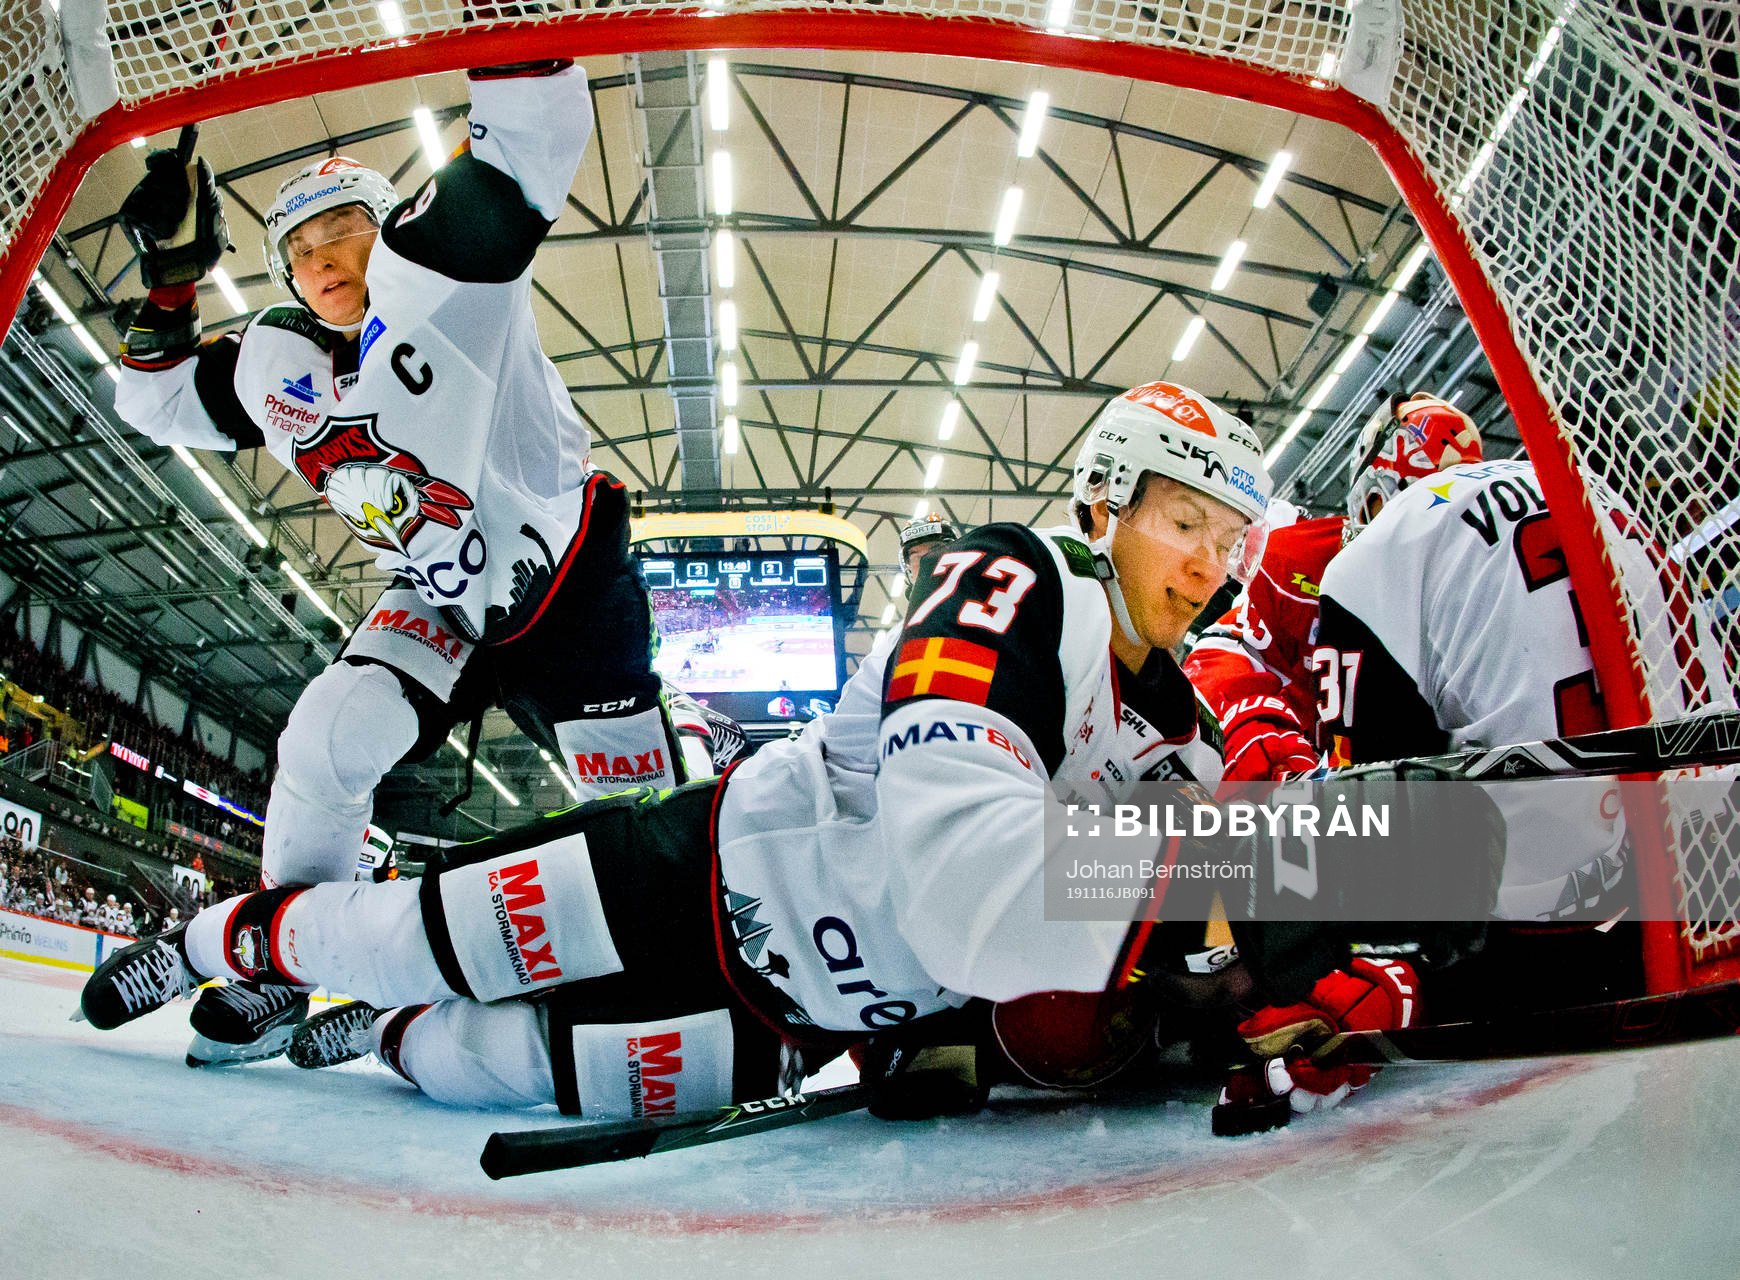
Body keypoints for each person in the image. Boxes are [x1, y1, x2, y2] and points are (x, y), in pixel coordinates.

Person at [78, 380, 1280, 1121]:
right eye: (1183, 521)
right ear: (1105, 500)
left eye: (1229, 541)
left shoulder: (1195, 747)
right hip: (696, 874)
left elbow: (1210, 920)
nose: (1206, 566)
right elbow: (972, 884)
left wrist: (1297, 949)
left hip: (794, 1029)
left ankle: (376, 1025)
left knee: (475, 1064)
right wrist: (1335, 869)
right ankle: (209, 941)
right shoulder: (1018, 579)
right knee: (415, 933)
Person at [111, 58, 688, 1065]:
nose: (324, 258)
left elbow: (532, 139)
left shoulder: (445, 272)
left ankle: (676, 972)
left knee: (640, 821)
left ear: (388, 226)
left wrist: (508, 31)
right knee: (327, 737)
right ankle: (277, 971)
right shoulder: (279, 363)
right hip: (444, 595)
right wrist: (172, 275)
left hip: (572, 588)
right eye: (298, 249)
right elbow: (149, 401)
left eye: (343, 229)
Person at [1209, 450, 1701, 1132]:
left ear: (1374, 497)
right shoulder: (1596, 492)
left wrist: (1382, 969)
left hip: (1524, 955)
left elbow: (1364, 820)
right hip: (1687, 905)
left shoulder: (1370, 556)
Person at [1184, 392, 1482, 782]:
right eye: (1419, 505)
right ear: (1372, 498)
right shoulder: (1295, 561)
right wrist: (1269, 742)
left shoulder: (1475, 581)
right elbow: (1219, 656)